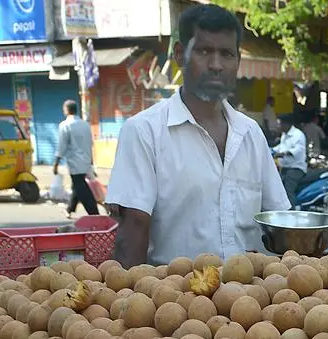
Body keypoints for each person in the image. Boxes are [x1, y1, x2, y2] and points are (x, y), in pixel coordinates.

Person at [106, 4, 289, 266]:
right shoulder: (144, 131)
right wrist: (128, 300)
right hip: (175, 301)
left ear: (237, 61)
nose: (216, 65)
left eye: (226, 54)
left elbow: (277, 220)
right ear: (181, 54)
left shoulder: (251, 134)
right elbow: (133, 230)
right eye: (204, 51)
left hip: (250, 301)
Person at [53, 100, 98, 217]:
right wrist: (91, 161)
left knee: (80, 186)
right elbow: (90, 143)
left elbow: (62, 146)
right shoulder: (85, 124)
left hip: (74, 161)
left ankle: (94, 213)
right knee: (77, 185)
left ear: (67, 110)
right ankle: (70, 209)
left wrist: (56, 163)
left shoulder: (65, 125)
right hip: (86, 160)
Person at [272, 113, 307, 203]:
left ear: (286, 124)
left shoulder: (298, 135)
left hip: (295, 169)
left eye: (279, 124)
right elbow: (281, 147)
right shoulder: (284, 134)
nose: (278, 126)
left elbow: (298, 150)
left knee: (288, 191)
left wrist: (282, 154)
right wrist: (270, 150)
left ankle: (291, 213)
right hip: (284, 168)